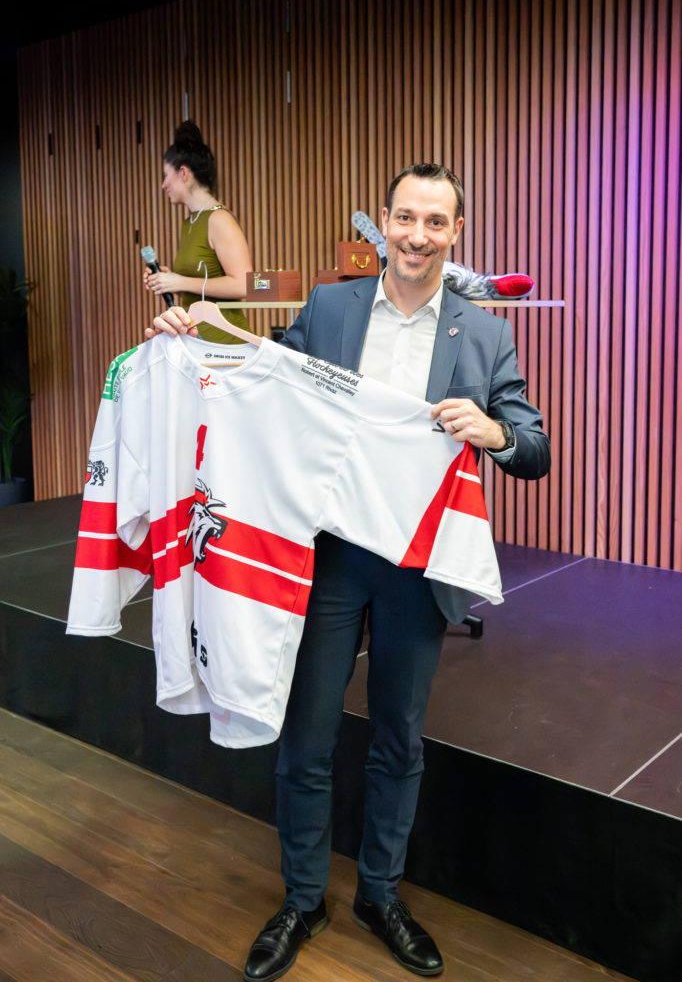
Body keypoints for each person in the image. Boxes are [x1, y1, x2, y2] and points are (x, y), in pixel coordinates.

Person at [147, 163, 550, 980]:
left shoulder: (482, 334)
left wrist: (495, 432)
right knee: (306, 736)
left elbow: (533, 446)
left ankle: (380, 894)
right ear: (383, 224)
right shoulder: (332, 308)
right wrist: (195, 338)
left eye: (435, 222)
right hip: (324, 556)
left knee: (399, 739)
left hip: (417, 567)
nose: (416, 236)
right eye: (405, 217)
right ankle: (302, 899)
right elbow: (265, 384)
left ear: (456, 233)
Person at [144, 120, 253, 344]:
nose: (164, 185)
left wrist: (179, 282)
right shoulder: (190, 223)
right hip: (197, 342)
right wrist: (166, 279)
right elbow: (200, 285)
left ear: (183, 173)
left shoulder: (219, 219)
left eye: (166, 175)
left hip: (226, 344)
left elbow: (243, 284)